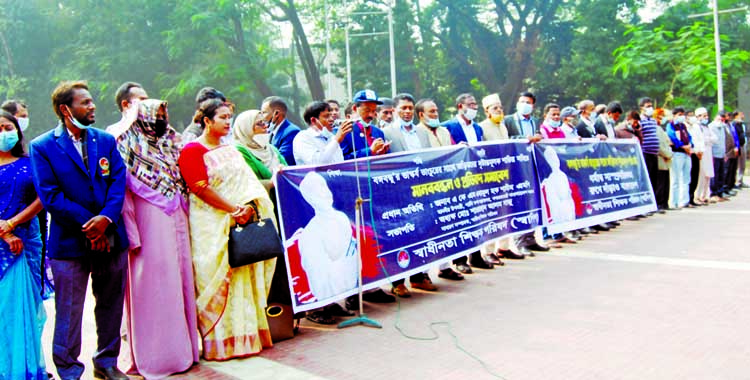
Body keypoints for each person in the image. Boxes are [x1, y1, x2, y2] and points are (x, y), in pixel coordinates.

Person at [30, 81, 129, 380]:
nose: (92, 106)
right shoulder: (43, 146)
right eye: (85, 102)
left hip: (111, 236)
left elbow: (118, 182)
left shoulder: (105, 141)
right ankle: (70, 370)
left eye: (91, 101)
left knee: (111, 304)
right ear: (65, 109)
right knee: (69, 311)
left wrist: (106, 219)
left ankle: (107, 362)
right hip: (71, 242)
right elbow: (50, 196)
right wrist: (91, 224)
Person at [178, 98, 276, 360]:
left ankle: (248, 337)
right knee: (216, 278)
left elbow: (248, 183)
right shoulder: (192, 150)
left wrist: (249, 208)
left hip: (240, 219)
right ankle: (220, 343)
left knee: (243, 279)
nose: (227, 122)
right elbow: (199, 188)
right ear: (207, 121)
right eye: (222, 117)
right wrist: (232, 209)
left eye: (229, 117)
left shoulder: (231, 149)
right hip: (211, 227)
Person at [112, 99, 200, 378]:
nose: (162, 119)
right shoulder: (126, 144)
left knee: (180, 282)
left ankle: (184, 352)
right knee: (154, 287)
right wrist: (132, 234)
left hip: (177, 219)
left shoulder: (171, 141)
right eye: (157, 114)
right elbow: (123, 197)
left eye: (164, 114)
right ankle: (159, 357)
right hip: (147, 224)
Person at [0, 111, 51, 380]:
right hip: (4, 247)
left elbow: (44, 197)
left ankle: (27, 368)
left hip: (27, 240)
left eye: (7, 127)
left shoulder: (30, 162)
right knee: (4, 310)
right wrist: (4, 232)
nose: (3, 132)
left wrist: (13, 223)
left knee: (26, 309)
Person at [383, 93, 439, 297]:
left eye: (410, 108)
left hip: (420, 190)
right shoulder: (386, 132)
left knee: (420, 232)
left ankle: (417, 277)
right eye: (403, 108)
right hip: (398, 193)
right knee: (401, 235)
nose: (407, 112)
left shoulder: (422, 133)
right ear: (395, 110)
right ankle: (397, 281)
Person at [443, 93, 495, 272]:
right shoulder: (448, 126)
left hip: (477, 177)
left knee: (477, 217)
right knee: (461, 218)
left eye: (475, 105)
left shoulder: (478, 128)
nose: (474, 108)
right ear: (460, 107)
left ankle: (477, 255)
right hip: (458, 179)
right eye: (470, 105)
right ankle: (460, 259)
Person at [233, 110, 287, 190]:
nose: (265, 126)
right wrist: (272, 182)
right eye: (259, 124)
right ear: (246, 127)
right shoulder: (239, 150)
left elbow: (288, 170)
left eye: (264, 122)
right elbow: (246, 183)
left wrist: (284, 170)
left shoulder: (272, 149)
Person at [339, 90, 390, 160]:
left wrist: (382, 152)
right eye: (367, 110)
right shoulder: (345, 131)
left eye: (373, 111)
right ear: (354, 108)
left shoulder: (378, 132)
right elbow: (342, 159)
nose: (371, 115)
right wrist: (370, 151)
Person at [666, 107, 693, 209]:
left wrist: (690, 145)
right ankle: (674, 202)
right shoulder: (671, 125)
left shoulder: (683, 126)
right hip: (677, 153)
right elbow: (672, 137)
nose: (681, 116)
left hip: (687, 153)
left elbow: (689, 137)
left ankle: (684, 201)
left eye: (683, 114)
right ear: (674, 115)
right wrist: (682, 146)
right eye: (679, 114)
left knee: (686, 178)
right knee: (675, 179)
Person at [262, 96, 301, 166]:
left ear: (276, 114)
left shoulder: (291, 132)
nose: (261, 117)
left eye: (264, 113)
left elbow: (282, 160)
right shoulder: (270, 131)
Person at [694, 107, 716, 204]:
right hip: (701, 153)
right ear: (698, 116)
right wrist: (708, 139)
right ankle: (697, 196)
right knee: (701, 176)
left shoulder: (707, 127)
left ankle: (705, 195)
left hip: (708, 152)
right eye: (703, 115)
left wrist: (708, 139)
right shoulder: (696, 127)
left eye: (706, 115)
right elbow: (701, 140)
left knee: (708, 175)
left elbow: (715, 138)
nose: (706, 117)